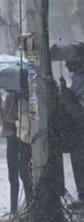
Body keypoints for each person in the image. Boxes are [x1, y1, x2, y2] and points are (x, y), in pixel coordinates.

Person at [0, 89, 33, 222]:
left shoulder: (13, 97)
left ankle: (14, 212)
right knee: (24, 174)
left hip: (14, 140)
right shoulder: (22, 97)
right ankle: (27, 209)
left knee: (16, 176)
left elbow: (8, 120)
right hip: (21, 141)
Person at [58, 61, 84, 203]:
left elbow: (75, 102)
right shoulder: (77, 78)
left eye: (69, 63)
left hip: (79, 128)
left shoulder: (80, 79)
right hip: (78, 128)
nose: (67, 66)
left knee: (79, 161)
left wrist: (65, 91)